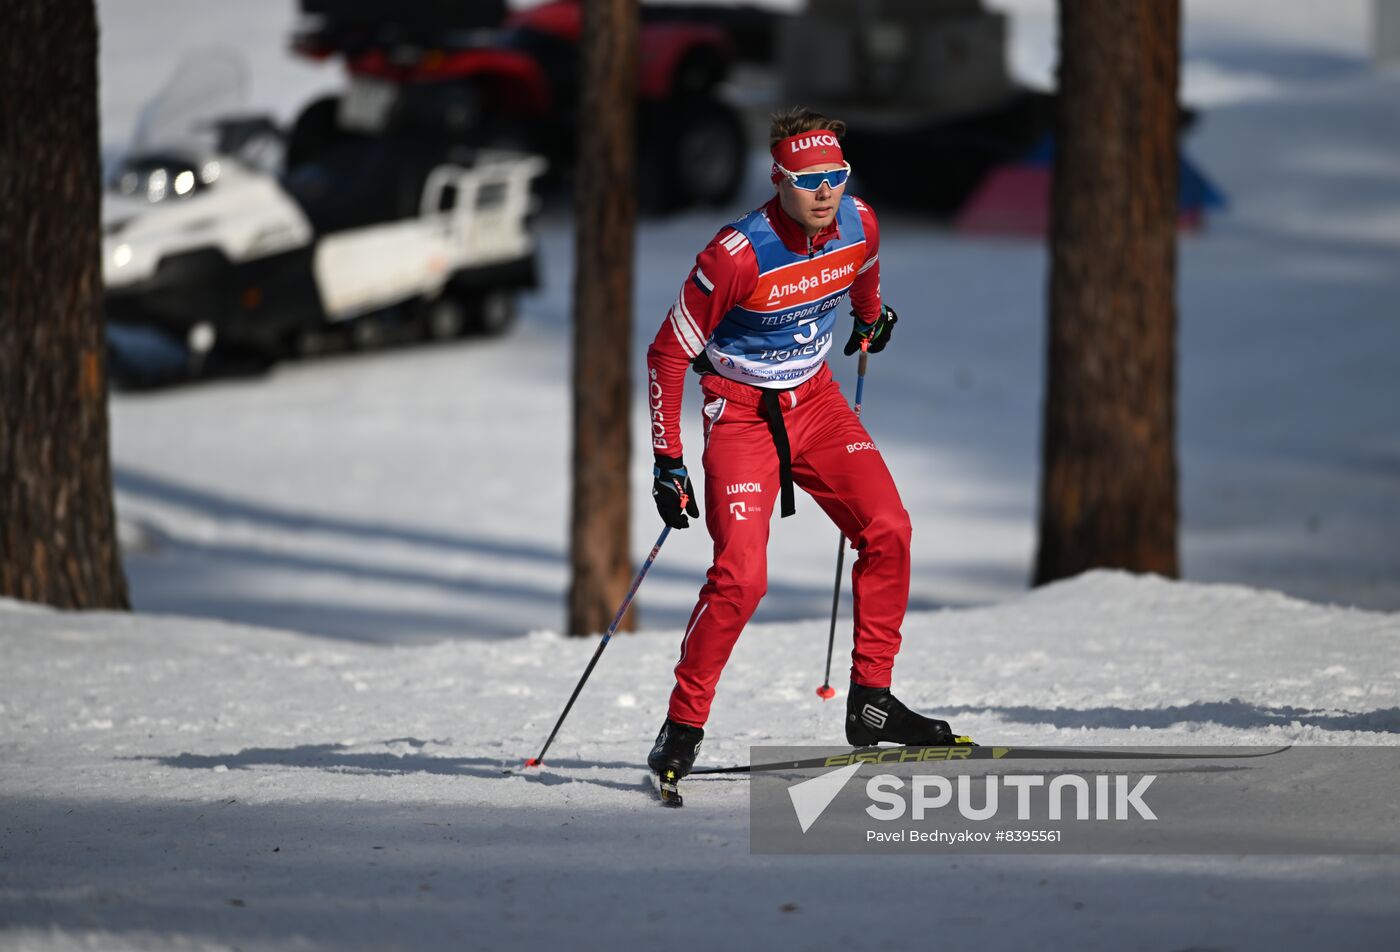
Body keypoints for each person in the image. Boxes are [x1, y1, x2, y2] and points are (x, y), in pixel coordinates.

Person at [644, 107, 972, 782]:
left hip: (818, 403)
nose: (825, 192)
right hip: (740, 416)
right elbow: (666, 354)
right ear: (779, 179)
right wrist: (668, 460)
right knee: (741, 580)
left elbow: (865, 267)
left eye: (836, 176)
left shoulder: (860, 220)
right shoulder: (736, 255)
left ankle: (872, 704)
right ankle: (681, 729)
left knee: (890, 530)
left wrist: (870, 317)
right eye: (808, 180)